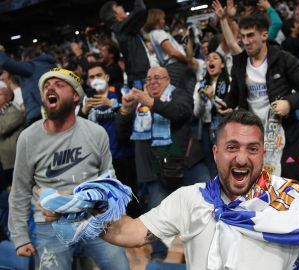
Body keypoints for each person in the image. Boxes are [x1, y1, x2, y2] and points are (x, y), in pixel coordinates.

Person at [60, 109, 299, 269]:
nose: (242, 157)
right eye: (232, 147)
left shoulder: (287, 197)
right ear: (217, 153)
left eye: (252, 149)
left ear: (262, 155)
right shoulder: (189, 199)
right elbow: (133, 231)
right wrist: (91, 211)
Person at [8, 68, 129, 270]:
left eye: (59, 85)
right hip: (51, 225)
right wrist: (20, 237)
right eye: (46, 86)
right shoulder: (28, 138)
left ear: (75, 96)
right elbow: (19, 191)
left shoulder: (96, 133)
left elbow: (110, 180)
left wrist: (114, 217)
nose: (50, 89)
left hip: (93, 218)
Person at [219, 14, 299, 181]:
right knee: (255, 188)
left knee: (288, 188)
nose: (245, 41)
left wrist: (289, 103)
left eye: (251, 35)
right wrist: (228, 105)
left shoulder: (282, 59)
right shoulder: (240, 63)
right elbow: (235, 94)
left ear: (264, 35)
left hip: (284, 136)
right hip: (252, 136)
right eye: (243, 36)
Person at [115, 66, 194, 260]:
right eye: (148, 79)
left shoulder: (179, 94)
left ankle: (198, 253)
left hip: (183, 166)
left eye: (157, 78)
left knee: (197, 212)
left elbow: (179, 113)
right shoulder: (138, 102)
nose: (152, 82)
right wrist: (125, 110)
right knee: (155, 217)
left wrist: (151, 102)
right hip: (152, 170)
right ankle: (158, 256)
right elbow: (121, 134)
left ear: (168, 79)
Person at [80, 63, 140, 217]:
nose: (95, 79)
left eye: (98, 75)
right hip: (100, 163)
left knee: (131, 201)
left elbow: (133, 113)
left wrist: (113, 104)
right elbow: (77, 128)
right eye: (92, 77)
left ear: (106, 77)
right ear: (88, 82)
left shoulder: (120, 93)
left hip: (124, 155)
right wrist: (83, 112)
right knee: (109, 205)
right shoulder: (85, 101)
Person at [193, 51, 230, 178]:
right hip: (205, 129)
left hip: (225, 128)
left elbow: (228, 107)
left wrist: (212, 97)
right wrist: (203, 99)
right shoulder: (200, 85)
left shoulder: (230, 82)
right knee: (211, 165)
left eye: (215, 58)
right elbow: (197, 113)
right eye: (208, 59)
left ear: (223, 65)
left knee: (224, 163)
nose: (211, 61)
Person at [143, 8, 197, 94]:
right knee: (186, 93)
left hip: (173, 67)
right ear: (157, 19)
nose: (164, 21)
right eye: (162, 18)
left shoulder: (154, 34)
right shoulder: (159, 33)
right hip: (176, 67)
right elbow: (172, 52)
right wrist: (187, 59)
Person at [0, 45, 55, 125]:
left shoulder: (32, 66)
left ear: (27, 58)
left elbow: (8, 64)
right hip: (51, 109)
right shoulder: (48, 66)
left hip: (39, 114)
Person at [99, 0, 150, 86]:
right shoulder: (119, 28)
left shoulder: (124, 29)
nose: (121, 7)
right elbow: (140, 10)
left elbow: (142, 14)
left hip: (141, 75)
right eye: (117, 7)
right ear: (115, 14)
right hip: (139, 78)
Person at [0, 82, 24, 190]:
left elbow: (2, 128)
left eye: (0, 95)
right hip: (3, 162)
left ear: (9, 97)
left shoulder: (15, 112)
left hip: (12, 161)